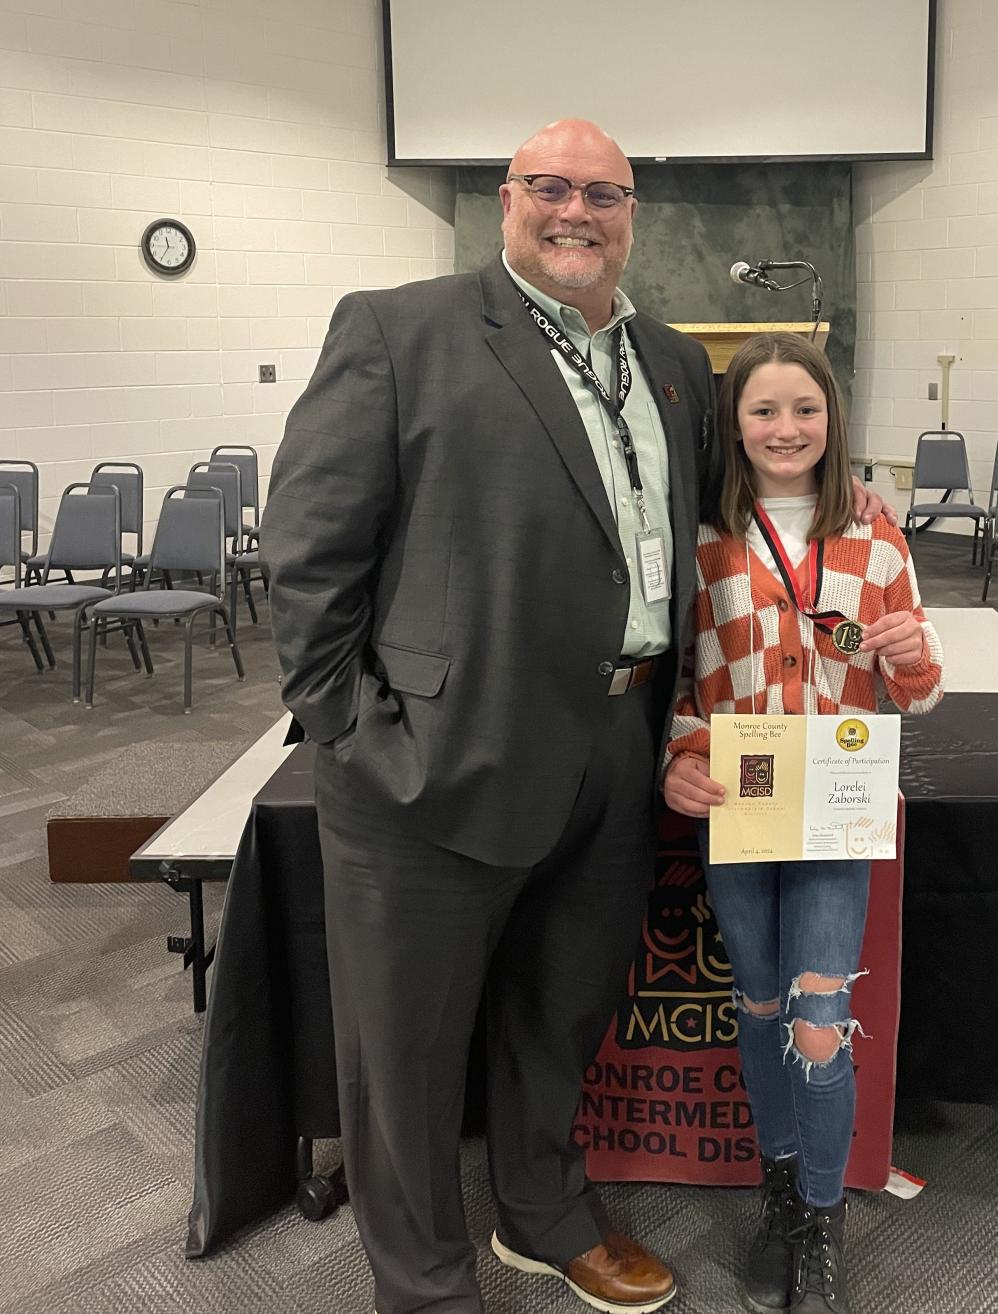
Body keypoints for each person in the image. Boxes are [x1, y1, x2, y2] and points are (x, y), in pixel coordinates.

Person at [262, 120, 894, 1314]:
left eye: (603, 193)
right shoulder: (400, 331)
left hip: (617, 748)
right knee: (405, 1051)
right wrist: (355, 731)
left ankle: (542, 1215)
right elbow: (306, 561)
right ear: (507, 201)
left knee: (561, 1011)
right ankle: (426, 1282)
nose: (576, 211)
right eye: (550, 187)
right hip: (431, 762)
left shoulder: (668, 360)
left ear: (631, 214)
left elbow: (731, 530)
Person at [662, 332, 943, 1314]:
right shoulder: (706, 539)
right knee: (763, 1009)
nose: (786, 429)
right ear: (734, 425)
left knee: (820, 1024)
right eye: (764, 411)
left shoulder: (877, 539)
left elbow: (920, 690)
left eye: (805, 410)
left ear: (834, 420)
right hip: (740, 808)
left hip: (836, 814)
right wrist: (678, 764)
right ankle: (783, 1191)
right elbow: (683, 685)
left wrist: (907, 654)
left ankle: (820, 1214)